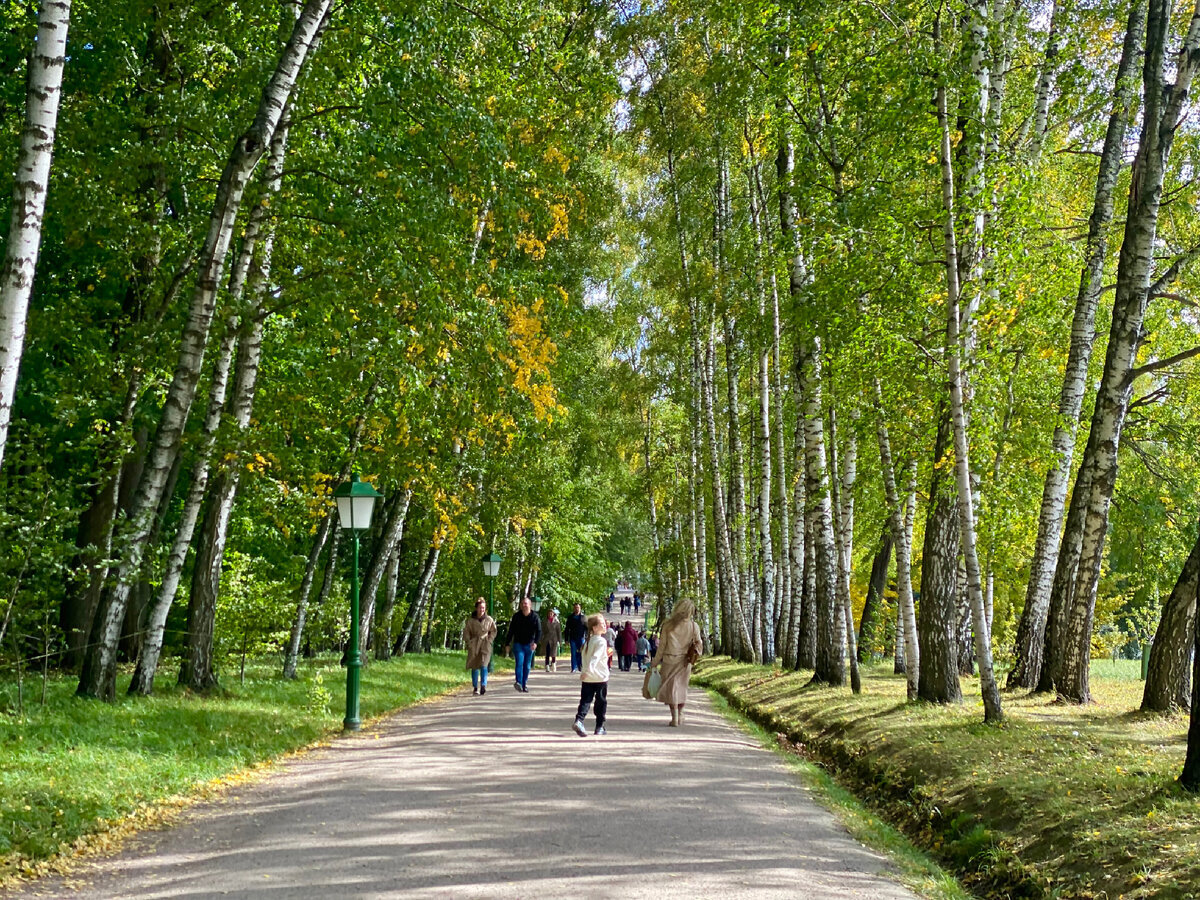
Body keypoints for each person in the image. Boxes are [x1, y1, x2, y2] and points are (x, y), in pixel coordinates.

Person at [649, 598, 702, 726]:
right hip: (685, 662)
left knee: (671, 689)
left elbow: (661, 646)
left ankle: (675, 716)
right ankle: (681, 713)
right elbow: (699, 644)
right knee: (681, 688)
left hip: (669, 660)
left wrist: (655, 662)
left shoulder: (668, 625)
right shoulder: (694, 626)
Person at [572, 614, 609, 737]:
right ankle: (599, 727)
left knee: (585, 701)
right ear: (594, 628)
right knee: (601, 702)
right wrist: (589, 670)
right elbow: (595, 657)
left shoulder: (588, 641)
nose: (604, 625)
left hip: (588, 678)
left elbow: (585, 658)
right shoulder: (601, 641)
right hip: (599, 677)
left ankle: (579, 720)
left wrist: (585, 672)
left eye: (604, 623)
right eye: (601, 624)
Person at [462, 597, 497, 695]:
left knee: (484, 664)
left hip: (485, 643)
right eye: (480, 608)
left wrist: (490, 640)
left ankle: (483, 685)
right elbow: (467, 632)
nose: (482, 610)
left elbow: (493, 631)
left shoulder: (489, 619)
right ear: (476, 608)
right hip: (474, 643)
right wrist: (469, 642)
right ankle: (475, 686)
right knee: (474, 665)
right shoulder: (471, 621)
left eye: (483, 608)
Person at [506, 597, 541, 692]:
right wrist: (507, 643)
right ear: (521, 605)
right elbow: (511, 630)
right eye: (523, 604)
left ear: (530, 605)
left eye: (526, 603)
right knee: (519, 662)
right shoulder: (516, 616)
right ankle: (519, 682)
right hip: (518, 644)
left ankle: (524, 684)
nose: (524, 605)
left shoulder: (535, 617)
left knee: (527, 665)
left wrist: (536, 643)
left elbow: (539, 631)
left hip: (530, 644)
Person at [565, 603, 587, 672]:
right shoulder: (570, 617)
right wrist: (566, 639)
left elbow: (587, 628)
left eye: (578, 607)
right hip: (573, 638)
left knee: (581, 653)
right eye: (575, 607)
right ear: (573, 608)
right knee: (573, 653)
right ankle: (573, 667)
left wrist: (587, 637)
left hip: (581, 638)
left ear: (580, 608)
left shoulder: (584, 617)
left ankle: (581, 666)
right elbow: (567, 629)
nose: (577, 609)